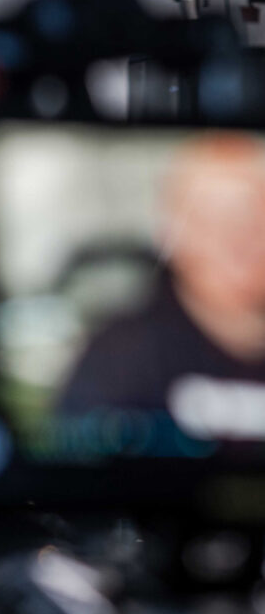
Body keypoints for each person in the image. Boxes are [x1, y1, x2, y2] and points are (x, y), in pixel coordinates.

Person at [58, 132, 265, 447]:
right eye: (213, 220)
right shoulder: (120, 359)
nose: (237, 241)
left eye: (253, 217)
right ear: (171, 233)